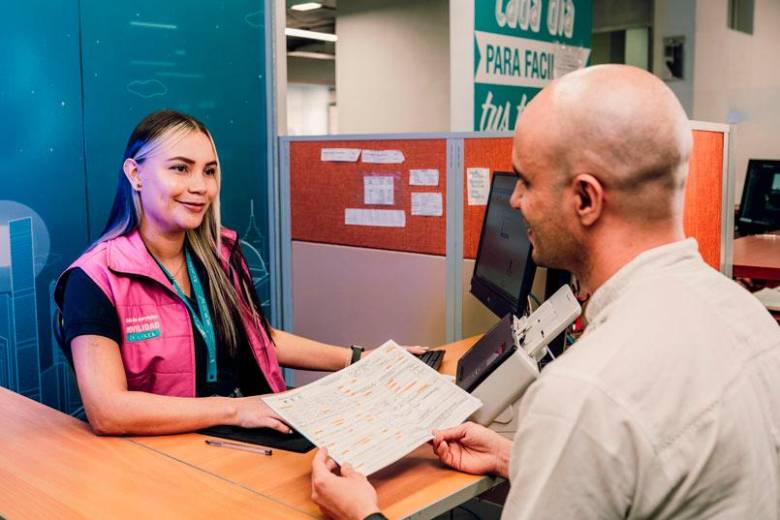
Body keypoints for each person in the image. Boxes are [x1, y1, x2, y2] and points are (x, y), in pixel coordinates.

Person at [310, 64, 780, 519]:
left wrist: (363, 515)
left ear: (585, 200)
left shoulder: (582, 392)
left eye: (527, 182)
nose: (515, 201)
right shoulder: (749, 317)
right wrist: (520, 459)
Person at [54, 110, 423, 436]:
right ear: (135, 174)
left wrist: (358, 359)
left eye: (209, 171)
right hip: (171, 454)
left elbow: (258, 338)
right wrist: (239, 409)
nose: (200, 187)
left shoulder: (219, 255)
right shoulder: (93, 279)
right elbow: (108, 411)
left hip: (248, 433)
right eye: (180, 168)